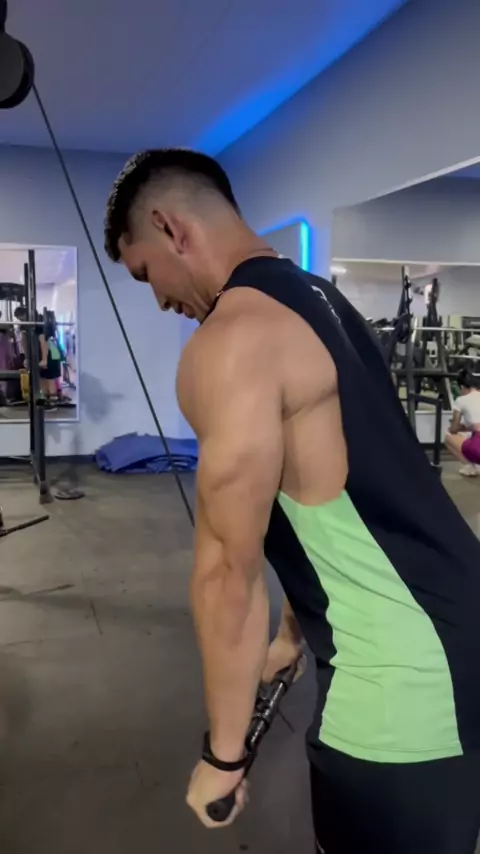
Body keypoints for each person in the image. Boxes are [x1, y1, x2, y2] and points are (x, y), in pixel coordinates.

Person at [104, 149, 480, 854]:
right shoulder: (322, 302)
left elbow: (227, 569)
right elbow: (337, 492)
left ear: (170, 227)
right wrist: (292, 633)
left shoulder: (230, 339)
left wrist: (223, 755)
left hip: (401, 677)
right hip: (459, 619)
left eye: (145, 273)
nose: (158, 300)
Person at [445, 367, 480, 477]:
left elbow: (454, 429)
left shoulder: (460, 400)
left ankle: (472, 466)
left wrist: (458, 427)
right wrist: (468, 427)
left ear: (462, 387)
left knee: (448, 437)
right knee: (472, 435)